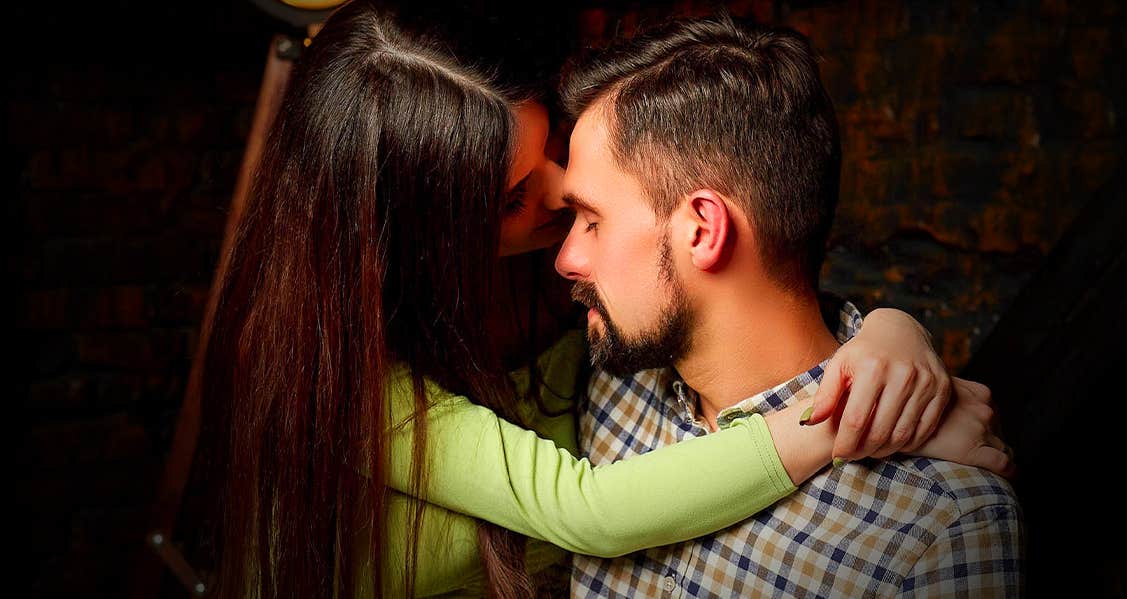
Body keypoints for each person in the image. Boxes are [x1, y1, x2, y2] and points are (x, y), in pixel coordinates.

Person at [193, 2, 1015, 597]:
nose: (558, 208)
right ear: (434, 236)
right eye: (524, 197)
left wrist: (887, 338)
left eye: (551, 149)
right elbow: (587, 509)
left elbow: (751, 293)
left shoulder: (592, 331)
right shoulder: (360, 380)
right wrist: (841, 423)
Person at [554, 14, 1023, 598]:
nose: (566, 257)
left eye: (593, 221)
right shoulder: (600, 383)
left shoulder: (939, 525)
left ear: (703, 230)